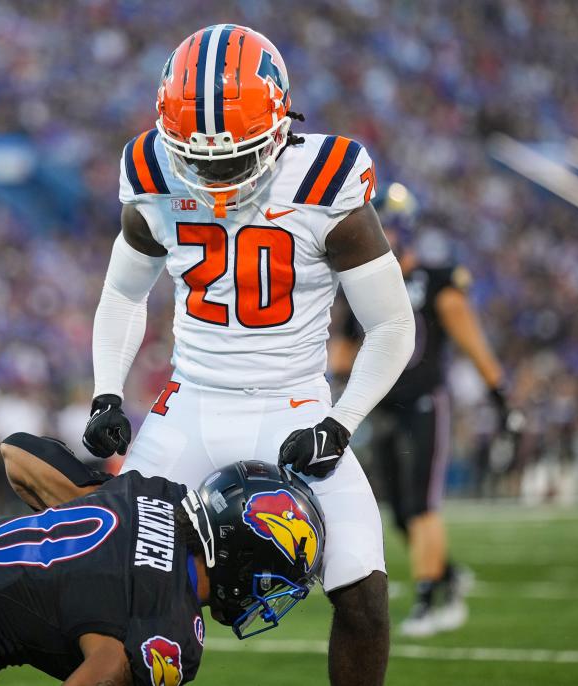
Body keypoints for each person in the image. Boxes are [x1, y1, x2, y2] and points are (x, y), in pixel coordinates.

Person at [82, 25, 415, 686]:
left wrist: (340, 423)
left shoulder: (327, 182)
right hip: (188, 407)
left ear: (281, 124)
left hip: (294, 406)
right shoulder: (151, 173)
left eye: (233, 158)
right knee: (114, 591)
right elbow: (122, 295)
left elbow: (393, 326)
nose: (214, 176)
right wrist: (106, 392)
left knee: (364, 594)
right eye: (197, 159)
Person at [0, 433, 325, 685]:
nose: (266, 598)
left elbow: (17, 452)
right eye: (271, 581)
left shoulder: (149, 493)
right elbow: (103, 670)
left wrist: (87, 530)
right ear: (242, 555)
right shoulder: (169, 629)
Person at [333, 183, 517, 636]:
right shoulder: (362, 287)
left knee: (422, 506)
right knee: (398, 510)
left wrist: (499, 390)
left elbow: (467, 333)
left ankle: (429, 597)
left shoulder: (435, 278)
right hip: (385, 411)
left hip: (424, 403)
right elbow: (339, 355)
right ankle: (446, 572)